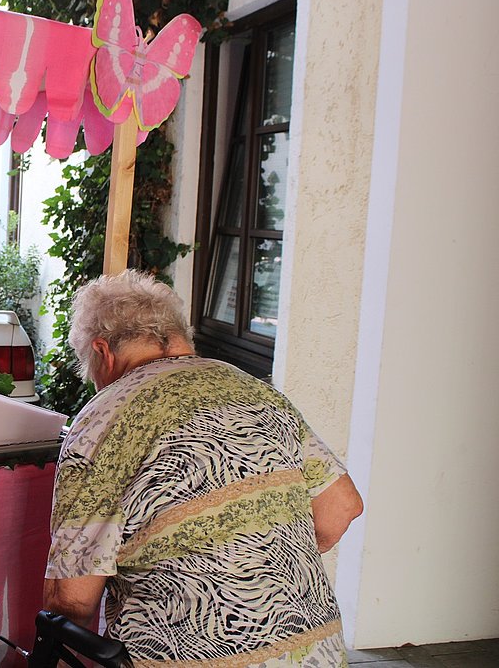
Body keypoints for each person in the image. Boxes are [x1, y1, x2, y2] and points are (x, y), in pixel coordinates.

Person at [43, 269, 363, 667]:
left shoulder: (102, 420)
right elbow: (341, 508)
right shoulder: (258, 392)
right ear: (179, 337)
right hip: (317, 656)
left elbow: (72, 599)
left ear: (103, 352)